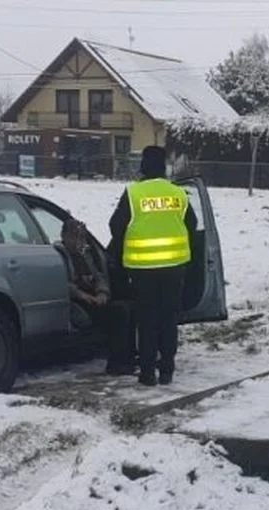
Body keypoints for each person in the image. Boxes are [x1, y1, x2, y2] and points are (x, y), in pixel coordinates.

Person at [109, 145, 197, 387]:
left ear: (143, 167)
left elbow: (116, 226)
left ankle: (147, 372)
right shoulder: (178, 194)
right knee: (169, 319)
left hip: (142, 270)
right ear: (164, 168)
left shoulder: (134, 193)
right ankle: (167, 369)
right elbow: (192, 224)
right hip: (174, 267)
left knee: (146, 320)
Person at [56, 219, 136, 376]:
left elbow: (99, 276)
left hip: (95, 299)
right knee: (118, 313)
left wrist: (102, 293)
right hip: (77, 303)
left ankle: (129, 358)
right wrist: (82, 294)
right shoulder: (61, 256)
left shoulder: (86, 255)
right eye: (74, 237)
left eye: (81, 238)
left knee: (128, 307)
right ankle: (116, 364)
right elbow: (62, 283)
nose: (78, 242)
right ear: (64, 236)